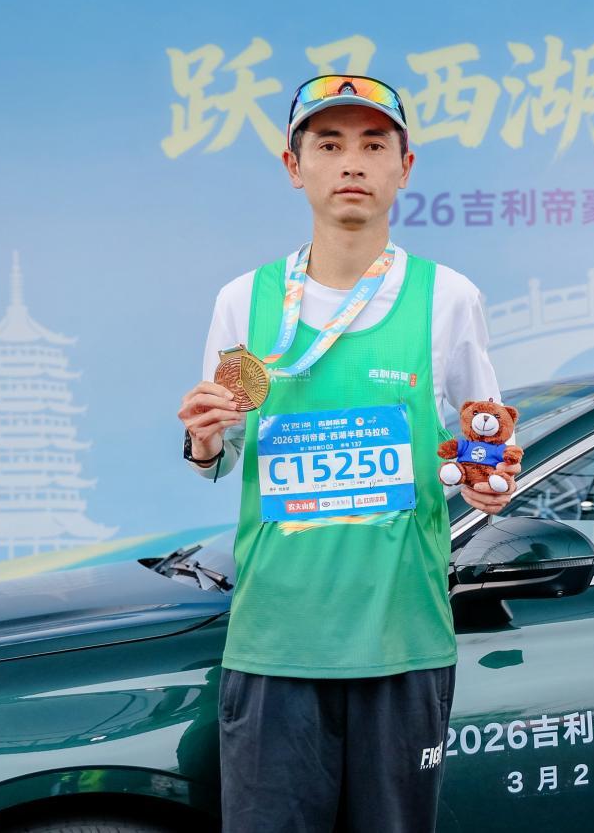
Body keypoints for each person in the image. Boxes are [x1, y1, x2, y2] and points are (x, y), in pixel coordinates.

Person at [175, 74, 517, 833]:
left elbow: (480, 439)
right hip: (276, 642)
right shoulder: (246, 300)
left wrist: (487, 480)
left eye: (373, 144)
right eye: (328, 145)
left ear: (405, 166)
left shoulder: (446, 298)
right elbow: (224, 448)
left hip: (402, 638)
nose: (352, 162)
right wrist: (204, 438)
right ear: (294, 167)